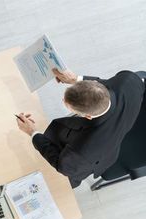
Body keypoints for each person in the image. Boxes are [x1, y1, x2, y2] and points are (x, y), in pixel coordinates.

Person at [16, 69, 145, 188]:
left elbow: (62, 166)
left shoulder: (83, 152)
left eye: (66, 104)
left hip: (94, 159)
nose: (62, 100)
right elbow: (106, 83)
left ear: (87, 116)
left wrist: (32, 132)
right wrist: (75, 79)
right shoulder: (129, 80)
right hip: (123, 125)